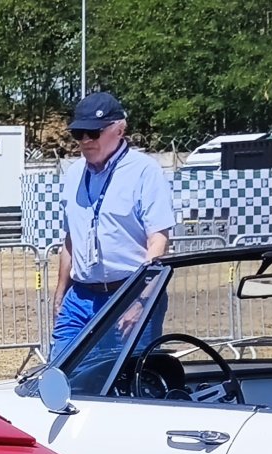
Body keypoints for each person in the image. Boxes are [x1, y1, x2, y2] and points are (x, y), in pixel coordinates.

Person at [51, 91, 174, 359]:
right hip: (80, 298)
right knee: (59, 378)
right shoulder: (73, 175)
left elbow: (159, 241)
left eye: (92, 133)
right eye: (78, 134)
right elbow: (71, 239)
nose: (85, 141)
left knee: (129, 386)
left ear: (119, 129)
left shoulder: (145, 171)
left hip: (129, 293)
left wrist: (141, 300)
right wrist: (61, 293)